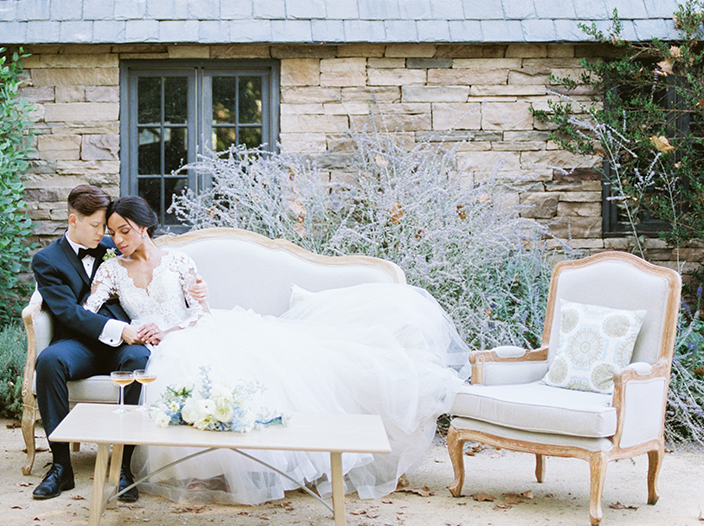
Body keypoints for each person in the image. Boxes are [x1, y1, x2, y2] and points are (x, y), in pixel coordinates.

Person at [83, 195, 469, 505]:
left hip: (187, 332)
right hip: (148, 343)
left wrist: (166, 329)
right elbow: (88, 311)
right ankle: (197, 465)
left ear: (144, 226)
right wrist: (129, 329)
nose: (118, 240)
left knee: (265, 369)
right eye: (114, 233)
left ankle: (268, 461)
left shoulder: (180, 261)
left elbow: (198, 313)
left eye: (124, 231)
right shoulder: (112, 269)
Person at [30, 185, 208, 502]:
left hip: (129, 341)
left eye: (109, 228)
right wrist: (119, 329)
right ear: (74, 221)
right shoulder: (48, 260)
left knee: (139, 358)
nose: (107, 235)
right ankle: (60, 467)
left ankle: (124, 465)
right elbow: (72, 312)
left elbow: (145, 250)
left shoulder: (117, 244)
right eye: (98, 226)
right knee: (49, 361)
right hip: (82, 341)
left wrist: (198, 290)